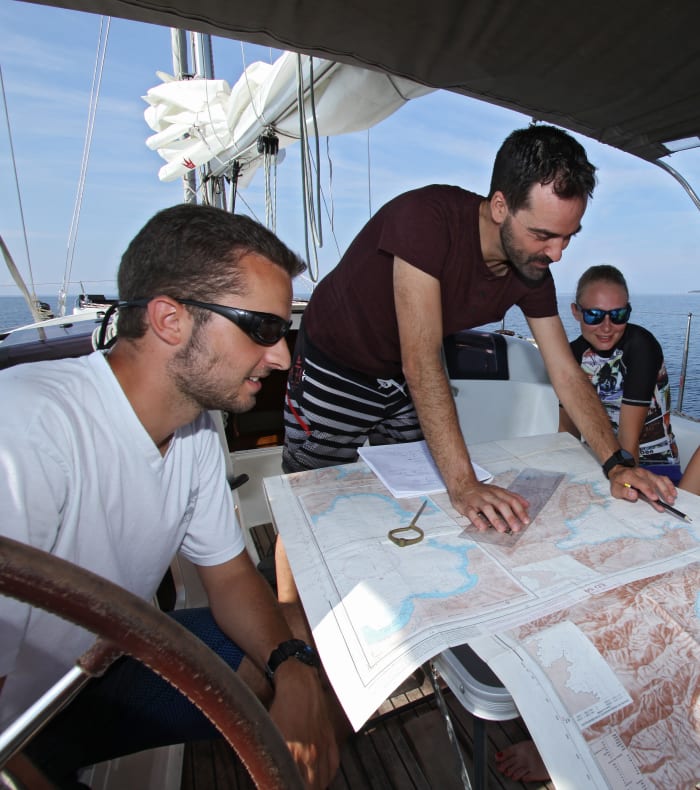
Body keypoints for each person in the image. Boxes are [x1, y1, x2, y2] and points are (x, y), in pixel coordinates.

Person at [0, 205, 338, 789]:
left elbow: (230, 578)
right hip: (17, 729)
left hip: (99, 674)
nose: (283, 355)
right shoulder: (28, 430)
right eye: (262, 328)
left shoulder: (194, 428)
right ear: (169, 320)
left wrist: (296, 671)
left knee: (304, 632)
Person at [277, 125, 676, 615]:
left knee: (414, 498)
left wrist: (619, 464)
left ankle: (392, 603)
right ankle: (291, 620)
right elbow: (421, 358)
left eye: (568, 237)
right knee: (306, 497)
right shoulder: (425, 219)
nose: (555, 254)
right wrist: (464, 483)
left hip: (401, 381)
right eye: (543, 234)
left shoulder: (530, 269)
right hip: (336, 365)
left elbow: (567, 372)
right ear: (500, 206)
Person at [559, 264, 682, 481]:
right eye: (594, 315)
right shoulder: (573, 354)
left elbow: (628, 442)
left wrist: (623, 484)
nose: (607, 327)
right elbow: (568, 431)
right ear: (576, 312)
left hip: (652, 467)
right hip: (598, 461)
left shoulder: (641, 346)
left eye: (618, 314)